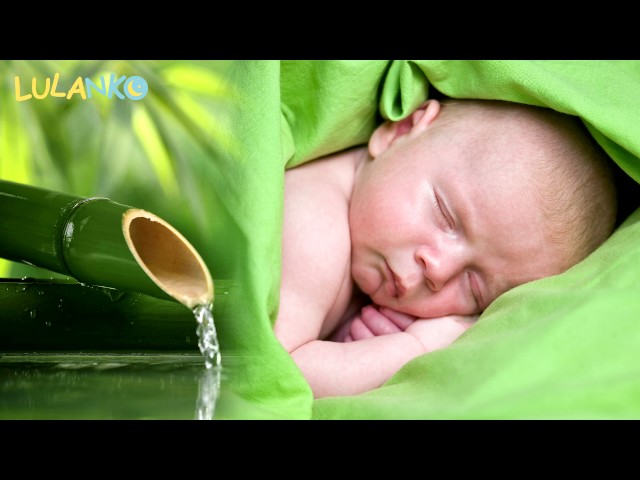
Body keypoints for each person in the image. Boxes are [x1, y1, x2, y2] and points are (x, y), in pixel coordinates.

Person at [275, 98, 618, 398]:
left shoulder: (365, 240)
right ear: (400, 130)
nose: (439, 270)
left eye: (473, 288)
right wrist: (412, 348)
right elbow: (274, 373)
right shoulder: (314, 227)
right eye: (444, 215)